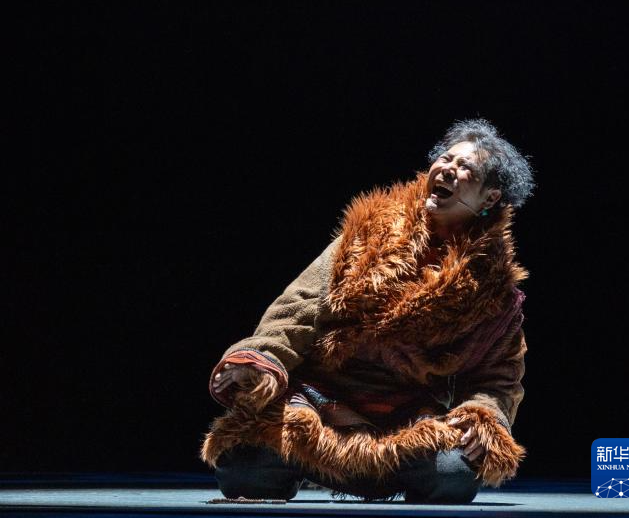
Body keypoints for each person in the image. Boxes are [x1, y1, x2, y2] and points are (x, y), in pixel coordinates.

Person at [200, 117, 535, 503]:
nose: (447, 169)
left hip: (405, 415)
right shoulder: (366, 234)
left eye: (465, 169)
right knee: (242, 470)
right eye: (445, 159)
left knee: (453, 476)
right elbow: (299, 307)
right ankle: (307, 461)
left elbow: (498, 376)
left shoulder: (493, 291)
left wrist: (482, 416)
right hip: (321, 399)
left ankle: (389, 470)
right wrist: (260, 358)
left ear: (490, 198)